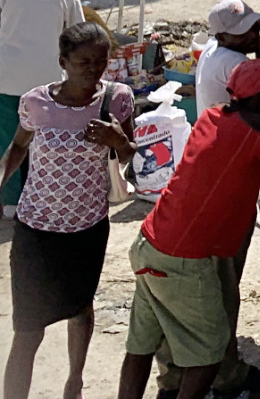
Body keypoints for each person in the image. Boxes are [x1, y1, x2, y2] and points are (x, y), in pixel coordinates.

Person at [118, 57, 260, 399]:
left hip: (151, 241)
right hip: (185, 259)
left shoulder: (214, 114)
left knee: (145, 344)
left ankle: (170, 390)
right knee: (210, 351)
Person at [0, 22, 133, 399]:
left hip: (87, 228)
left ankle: (74, 381)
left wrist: (118, 140)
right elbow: (18, 147)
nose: (92, 69)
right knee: (27, 330)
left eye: (100, 61)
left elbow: (133, 159)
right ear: (63, 62)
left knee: (80, 308)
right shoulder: (35, 103)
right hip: (36, 230)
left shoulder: (118, 99)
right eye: (82, 62)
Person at [0, 0, 86, 215]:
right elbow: (80, 37)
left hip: (6, 77)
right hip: (45, 81)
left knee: (7, 139)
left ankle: (10, 204)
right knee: (41, 141)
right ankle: (41, 199)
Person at [193, 0, 260, 113]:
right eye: (242, 32)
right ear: (221, 37)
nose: (253, 35)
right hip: (229, 130)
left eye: (251, 26)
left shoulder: (212, 45)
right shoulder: (236, 64)